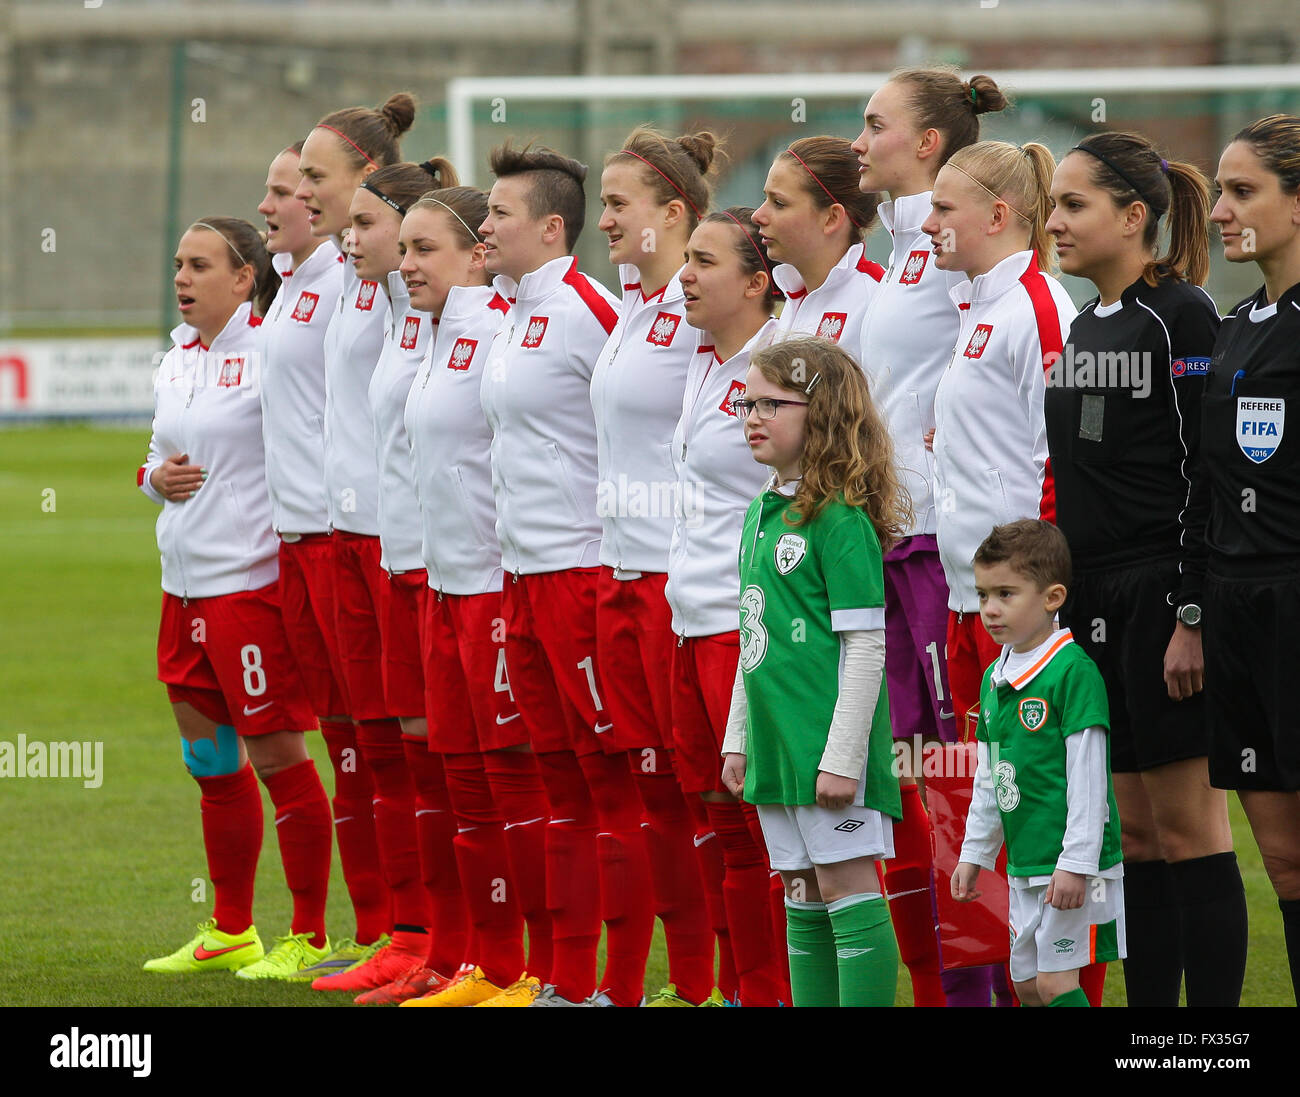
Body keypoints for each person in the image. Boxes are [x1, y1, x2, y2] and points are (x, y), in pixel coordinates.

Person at [1044, 131, 1248, 1006]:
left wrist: (1189, 611)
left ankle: (1207, 1045)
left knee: (1191, 828)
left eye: (1073, 204)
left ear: (1136, 217)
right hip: (1094, 596)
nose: (1053, 221)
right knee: (1135, 836)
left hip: (1162, 588)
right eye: (1052, 204)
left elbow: (1212, 466)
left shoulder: (1185, 314)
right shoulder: (1085, 321)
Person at [139, 218, 334, 978]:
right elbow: (152, 462)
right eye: (177, 264)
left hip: (248, 590)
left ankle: (311, 934)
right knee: (208, 759)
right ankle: (230, 926)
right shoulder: (176, 358)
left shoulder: (268, 357)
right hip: (179, 589)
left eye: (199, 265)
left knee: (279, 756)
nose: (182, 278)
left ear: (244, 277)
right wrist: (154, 480)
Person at [852, 67, 1008, 1006]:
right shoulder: (906, 248)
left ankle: (990, 984)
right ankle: (950, 985)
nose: (859, 139)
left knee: (962, 781)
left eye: (875, 125)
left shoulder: (959, 256)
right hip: (896, 544)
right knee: (913, 776)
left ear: (927, 146)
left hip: (941, 557)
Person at [327, 158, 485, 1003]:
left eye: (367, 225)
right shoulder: (405, 320)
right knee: (413, 764)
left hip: (459, 575)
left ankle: (491, 957)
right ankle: (427, 943)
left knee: (479, 773)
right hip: (400, 565)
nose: (354, 241)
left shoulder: (482, 327)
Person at [476, 142, 627, 1007]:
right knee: (557, 784)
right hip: (519, 580)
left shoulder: (585, 309)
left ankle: (626, 985)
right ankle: (565, 982)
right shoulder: (506, 310)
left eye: (498, 214)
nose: (484, 226)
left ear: (550, 227)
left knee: (611, 785)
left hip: (579, 576)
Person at [720, 336, 909, 1007]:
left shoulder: (840, 519)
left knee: (846, 888)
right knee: (799, 893)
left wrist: (843, 756)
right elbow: (754, 636)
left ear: (822, 412)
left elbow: (865, 646)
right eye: (746, 402)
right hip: (776, 747)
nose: (753, 416)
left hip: (830, 752)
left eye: (773, 402)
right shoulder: (758, 514)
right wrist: (737, 737)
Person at [398, 186, 549, 1007]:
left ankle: (534, 967)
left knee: (511, 783)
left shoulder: (496, 333)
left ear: (475, 254)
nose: (406, 263)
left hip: (496, 590)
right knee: (459, 783)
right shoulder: (433, 333)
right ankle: (481, 964)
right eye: (406, 248)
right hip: (441, 589)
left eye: (425, 249)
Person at [592, 126, 721, 1007]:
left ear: (670, 213)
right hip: (618, 577)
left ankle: (730, 981)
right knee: (647, 795)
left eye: (617, 204)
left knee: (710, 797)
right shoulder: (630, 307)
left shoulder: (699, 309)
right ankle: (668, 983)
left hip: (685, 585)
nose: (604, 220)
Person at [257, 139, 392, 980]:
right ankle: (378, 925)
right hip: (307, 537)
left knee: (385, 742)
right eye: (287, 182)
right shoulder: (303, 285)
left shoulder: (365, 281)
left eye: (308, 179)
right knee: (346, 740)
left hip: (364, 539)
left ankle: (407, 932)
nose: (292, 197)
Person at [669, 207, 784, 1006]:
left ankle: (780, 992)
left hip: (745, 630)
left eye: (702, 260)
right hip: (688, 619)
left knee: (768, 830)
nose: (683, 274)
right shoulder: (703, 362)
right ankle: (744, 990)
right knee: (719, 823)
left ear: (755, 281)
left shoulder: (782, 366)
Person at [1198, 114, 1300, 1001]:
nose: (1223, 209)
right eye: (1221, 190)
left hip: (1294, 603)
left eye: (1244, 191)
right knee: (1284, 863)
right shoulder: (1239, 322)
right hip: (1234, 610)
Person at [953, 519, 1125, 1008]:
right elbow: (990, 780)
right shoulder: (994, 678)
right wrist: (974, 854)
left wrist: (1076, 865)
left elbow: (1090, 782)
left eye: (1006, 593)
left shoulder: (1073, 673)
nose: (989, 609)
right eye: (983, 594)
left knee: (1055, 985)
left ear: (1052, 598)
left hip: (1073, 866)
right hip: (1025, 864)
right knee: (1026, 987)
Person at [752, 135, 882, 347]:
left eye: (779, 203)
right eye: (765, 199)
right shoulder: (795, 296)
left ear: (831, 218)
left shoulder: (874, 299)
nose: (757, 215)